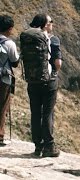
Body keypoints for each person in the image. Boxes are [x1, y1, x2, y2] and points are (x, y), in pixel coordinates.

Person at [24, 14, 61, 157]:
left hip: (32, 80)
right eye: (51, 22)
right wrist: (54, 73)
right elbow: (58, 64)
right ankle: (49, 147)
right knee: (47, 113)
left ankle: (37, 146)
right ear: (45, 25)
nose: (52, 24)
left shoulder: (29, 38)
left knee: (35, 113)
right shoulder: (53, 39)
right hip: (49, 81)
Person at [0, 15, 19, 146]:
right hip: (3, 79)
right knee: (2, 106)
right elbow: (15, 62)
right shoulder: (9, 43)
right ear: (9, 29)